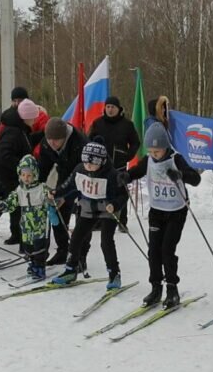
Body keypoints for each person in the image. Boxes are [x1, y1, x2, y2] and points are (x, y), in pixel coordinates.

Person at [126, 122, 202, 308]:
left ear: (165, 148)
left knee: (167, 250)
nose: (154, 155)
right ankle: (155, 288)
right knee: (154, 251)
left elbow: (196, 178)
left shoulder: (176, 159)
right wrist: (126, 177)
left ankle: (172, 289)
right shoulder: (149, 160)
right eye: (151, 151)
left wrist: (180, 175)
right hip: (157, 210)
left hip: (176, 211)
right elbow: (136, 172)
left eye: (157, 151)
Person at [51, 140, 129, 290]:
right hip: (87, 208)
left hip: (108, 210)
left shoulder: (112, 175)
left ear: (102, 161)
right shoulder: (80, 169)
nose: (88, 166)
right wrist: (57, 192)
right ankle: (70, 270)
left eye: (92, 163)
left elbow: (123, 194)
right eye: (86, 162)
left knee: (106, 241)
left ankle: (114, 274)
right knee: (76, 238)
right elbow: (69, 185)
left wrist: (115, 205)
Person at [0, 156, 58, 279]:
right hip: (26, 225)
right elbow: (11, 202)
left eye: (29, 175)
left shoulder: (41, 188)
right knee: (28, 247)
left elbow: (51, 199)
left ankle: (40, 267)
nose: (26, 178)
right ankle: (32, 264)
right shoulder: (19, 190)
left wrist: (51, 202)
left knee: (39, 247)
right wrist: (1, 206)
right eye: (23, 175)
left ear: (35, 175)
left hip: (39, 224)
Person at [0, 98, 40, 247]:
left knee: (16, 207)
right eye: (34, 116)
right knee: (2, 206)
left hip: (10, 177)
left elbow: (25, 144)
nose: (36, 119)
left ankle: (17, 235)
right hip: (2, 177)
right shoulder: (13, 131)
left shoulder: (20, 129)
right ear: (27, 117)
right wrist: (22, 168)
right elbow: (4, 154)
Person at [37, 117, 88, 265]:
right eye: (49, 139)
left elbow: (80, 173)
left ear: (64, 137)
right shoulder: (47, 143)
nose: (52, 143)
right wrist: (38, 187)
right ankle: (62, 250)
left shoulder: (80, 143)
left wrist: (65, 195)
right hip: (63, 174)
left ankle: (81, 256)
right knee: (58, 213)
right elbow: (43, 167)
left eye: (56, 140)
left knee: (82, 219)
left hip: (83, 178)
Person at [88, 95, 140, 230]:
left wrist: (128, 156)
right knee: (100, 192)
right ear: (105, 108)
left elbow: (135, 142)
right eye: (108, 107)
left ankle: (122, 222)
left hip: (119, 164)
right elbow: (89, 141)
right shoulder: (97, 123)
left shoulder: (127, 124)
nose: (110, 110)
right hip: (100, 165)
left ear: (119, 109)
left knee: (120, 192)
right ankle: (99, 221)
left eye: (113, 107)